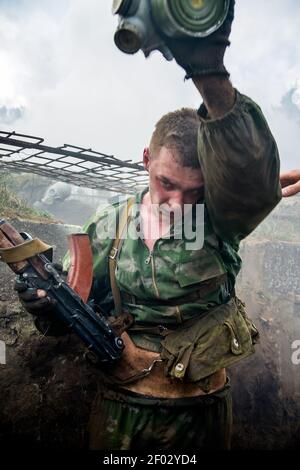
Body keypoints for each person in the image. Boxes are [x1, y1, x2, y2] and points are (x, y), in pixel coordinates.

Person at [14, 0, 282, 450]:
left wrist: (209, 71)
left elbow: (251, 173)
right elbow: (72, 315)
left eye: (194, 191)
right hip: (124, 410)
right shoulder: (108, 226)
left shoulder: (220, 220)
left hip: (202, 411)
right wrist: (42, 304)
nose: (179, 202)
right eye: (166, 183)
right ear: (145, 161)